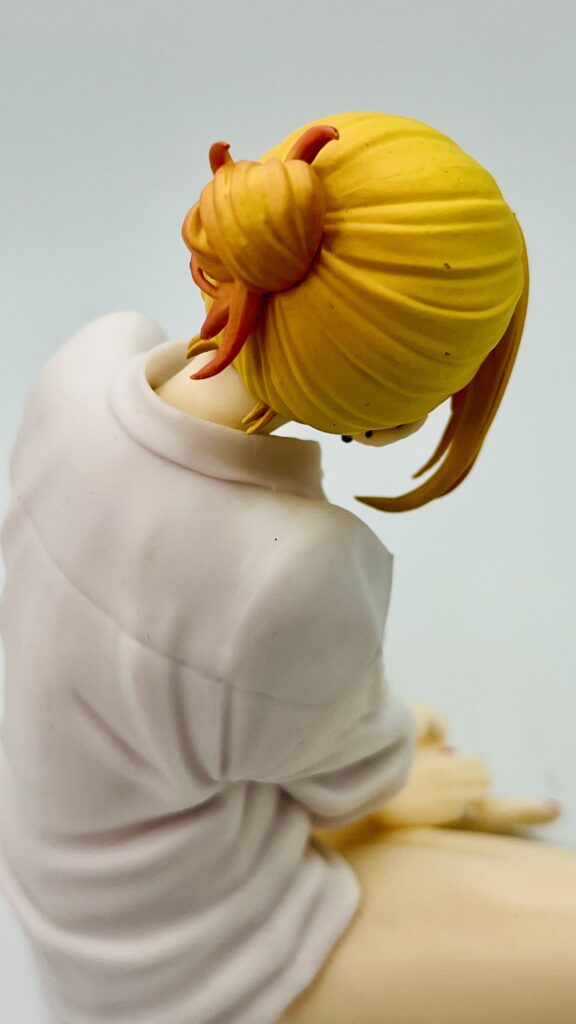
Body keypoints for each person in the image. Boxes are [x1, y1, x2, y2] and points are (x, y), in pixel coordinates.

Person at [0, 113, 574, 1024]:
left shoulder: (90, 361)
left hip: (64, 879)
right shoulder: (290, 570)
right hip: (182, 960)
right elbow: (345, 780)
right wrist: (389, 773)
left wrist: (363, 738)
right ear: (392, 407)